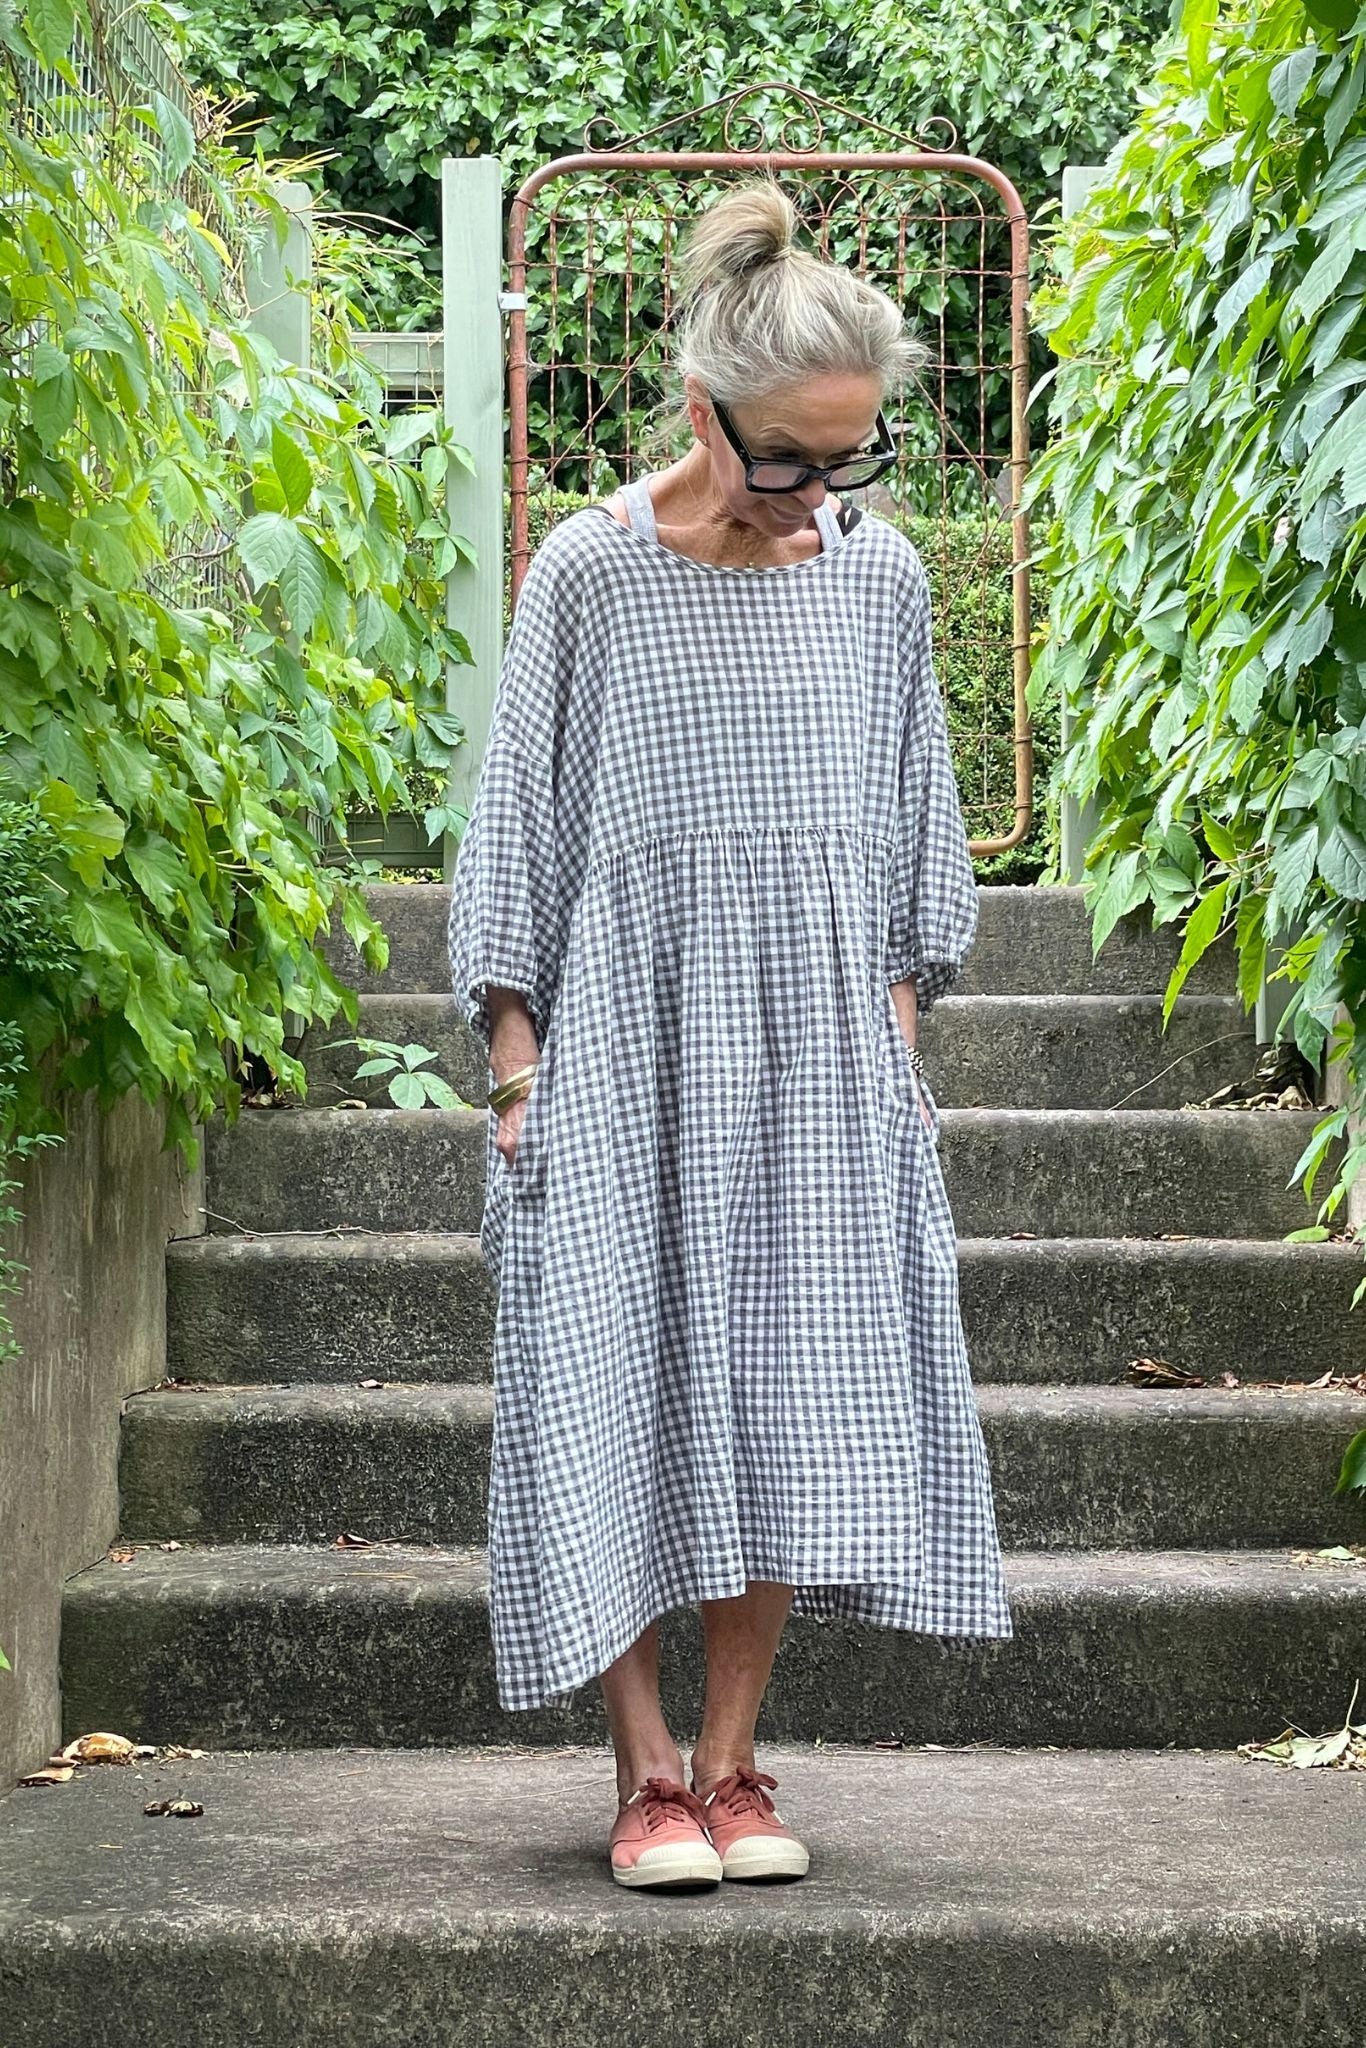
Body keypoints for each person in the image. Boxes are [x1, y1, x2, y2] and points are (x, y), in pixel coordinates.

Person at [447, 176, 1013, 1893]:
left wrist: (893, 1052)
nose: (824, 492)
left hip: (820, 1061)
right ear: (704, 413)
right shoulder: (592, 574)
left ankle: (731, 1761)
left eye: (852, 457)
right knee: (601, 1381)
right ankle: (639, 1773)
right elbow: (518, 833)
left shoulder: (879, 578)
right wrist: (518, 1076)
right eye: (789, 459)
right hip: (619, 1053)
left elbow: (912, 840)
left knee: (788, 1390)